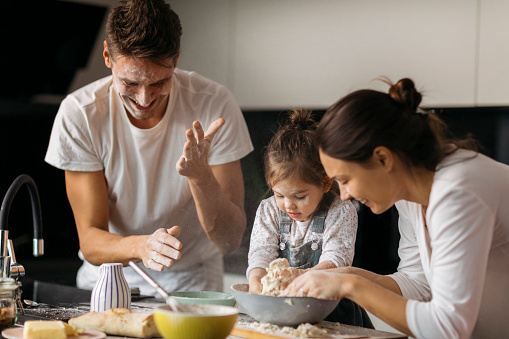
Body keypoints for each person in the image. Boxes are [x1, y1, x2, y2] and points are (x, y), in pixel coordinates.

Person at [44, 0, 253, 295]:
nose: (144, 99)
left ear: (176, 60)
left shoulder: (214, 104)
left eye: (159, 82)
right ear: (107, 56)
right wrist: (142, 246)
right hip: (110, 275)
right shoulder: (81, 113)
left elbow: (229, 240)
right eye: (130, 83)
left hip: (190, 279)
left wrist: (200, 176)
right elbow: (91, 241)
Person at [285, 78, 509, 338]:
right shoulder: (410, 192)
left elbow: (447, 327)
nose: (344, 196)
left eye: (345, 180)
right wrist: (343, 275)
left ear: (383, 158)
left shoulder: (458, 192)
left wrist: (349, 285)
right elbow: (418, 282)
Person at [246, 109, 372, 327]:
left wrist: (295, 280)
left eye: (300, 196)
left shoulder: (340, 210)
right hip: (282, 309)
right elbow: (261, 253)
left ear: (324, 183)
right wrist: (256, 279)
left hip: (331, 312)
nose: (288, 204)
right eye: (279, 194)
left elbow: (336, 261)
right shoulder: (268, 210)